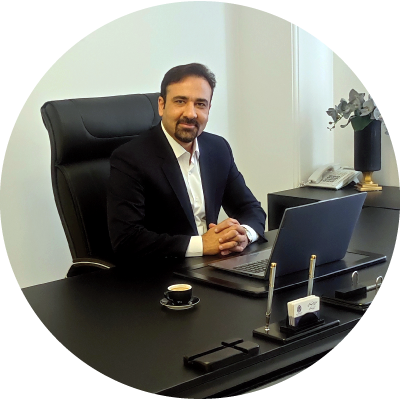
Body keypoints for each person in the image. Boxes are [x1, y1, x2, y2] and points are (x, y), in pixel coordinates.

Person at [107, 63, 266, 265]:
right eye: (180, 101)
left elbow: (250, 208)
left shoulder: (218, 148)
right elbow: (127, 240)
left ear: (209, 108)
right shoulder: (130, 158)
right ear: (162, 105)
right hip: (161, 272)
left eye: (200, 104)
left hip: (212, 266)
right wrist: (202, 245)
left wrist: (244, 235)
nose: (191, 113)